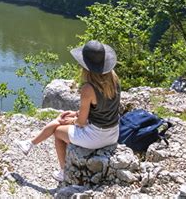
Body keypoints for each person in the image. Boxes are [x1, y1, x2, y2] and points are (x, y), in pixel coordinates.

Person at [15, 40, 121, 181]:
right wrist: (75, 114)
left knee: (58, 132)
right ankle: (30, 143)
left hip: (97, 137)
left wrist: (72, 120)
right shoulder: (113, 78)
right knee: (61, 122)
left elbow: (81, 123)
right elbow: (103, 109)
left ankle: (64, 172)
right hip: (113, 133)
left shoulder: (88, 88)